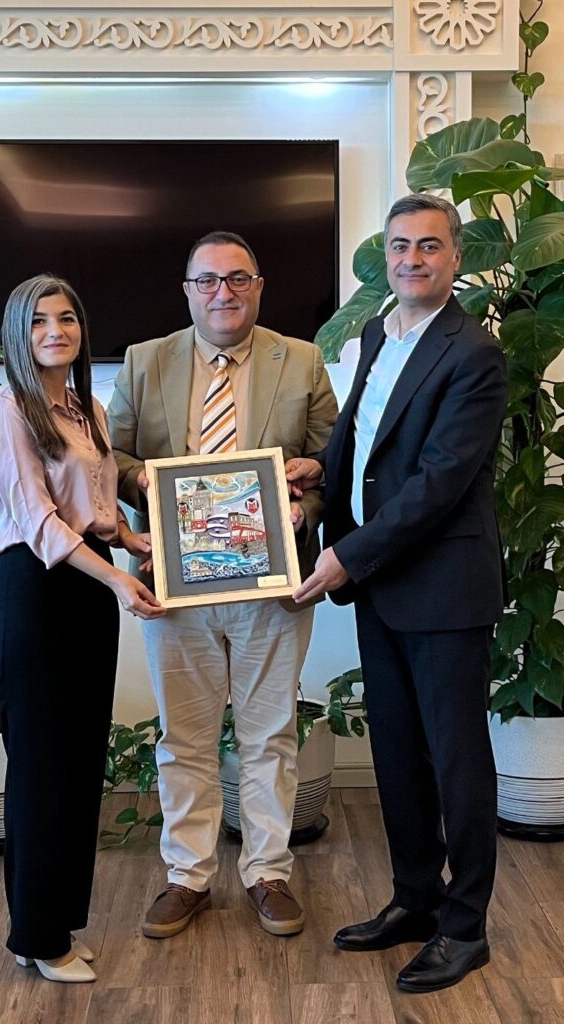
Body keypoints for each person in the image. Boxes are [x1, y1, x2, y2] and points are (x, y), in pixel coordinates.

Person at [288, 194, 507, 993]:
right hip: (384, 585)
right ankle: (416, 899)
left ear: (456, 257)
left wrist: (346, 556)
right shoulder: (381, 332)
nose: (412, 259)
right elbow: (364, 431)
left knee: (456, 761)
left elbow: (439, 483)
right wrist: (322, 467)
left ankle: (465, 925)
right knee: (397, 754)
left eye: (429, 246)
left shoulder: (474, 353)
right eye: (400, 246)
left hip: (443, 587)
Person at [107, 230, 338, 939]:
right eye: (207, 280)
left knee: (269, 734)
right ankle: (188, 877)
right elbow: (112, 455)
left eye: (238, 279)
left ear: (258, 287)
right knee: (185, 739)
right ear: (187, 291)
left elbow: (332, 456)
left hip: (273, 584)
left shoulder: (300, 359)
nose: (223, 293)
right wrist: (147, 483)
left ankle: (268, 872)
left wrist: (305, 505)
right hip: (176, 587)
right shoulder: (145, 361)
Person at [0, 273, 165, 984]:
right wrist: (118, 578)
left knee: (79, 760)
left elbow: (93, 510)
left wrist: (133, 542)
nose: (54, 331)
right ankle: (36, 935)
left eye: (65, 318)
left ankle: (55, 925)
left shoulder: (88, 408)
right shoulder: (10, 410)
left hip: (87, 587)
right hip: (37, 590)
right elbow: (40, 523)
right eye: (38, 321)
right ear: (17, 334)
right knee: (40, 765)